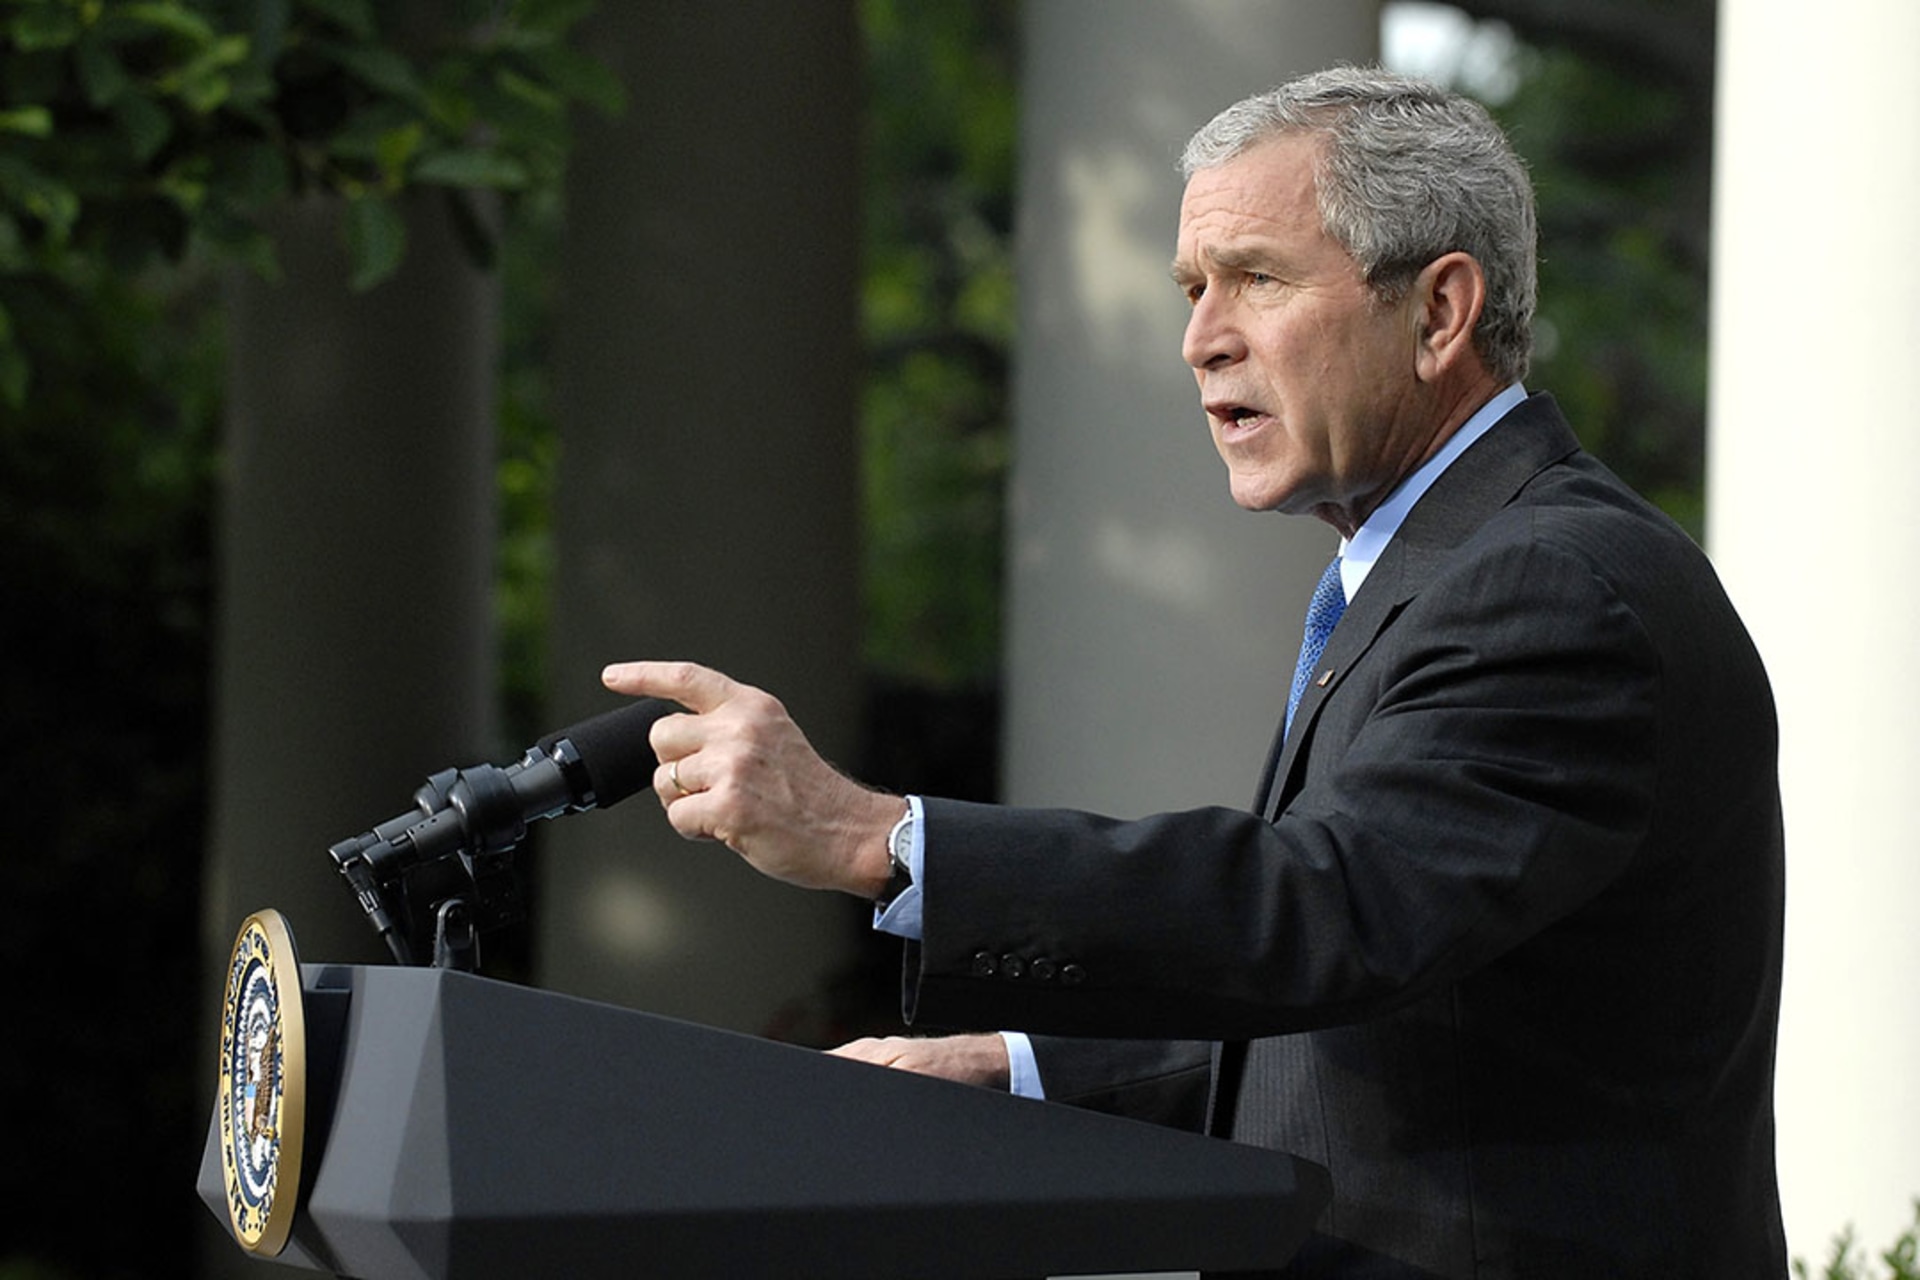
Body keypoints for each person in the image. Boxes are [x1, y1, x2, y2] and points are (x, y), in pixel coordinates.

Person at [601, 66, 1787, 1278]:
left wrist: (876, 835)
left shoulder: (1554, 583)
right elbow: (1362, 1027)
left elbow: (1327, 913)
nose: (1199, 339)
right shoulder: (1440, 572)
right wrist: (1016, 1070)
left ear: (1438, 313)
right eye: (1191, 288)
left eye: (1257, 279)